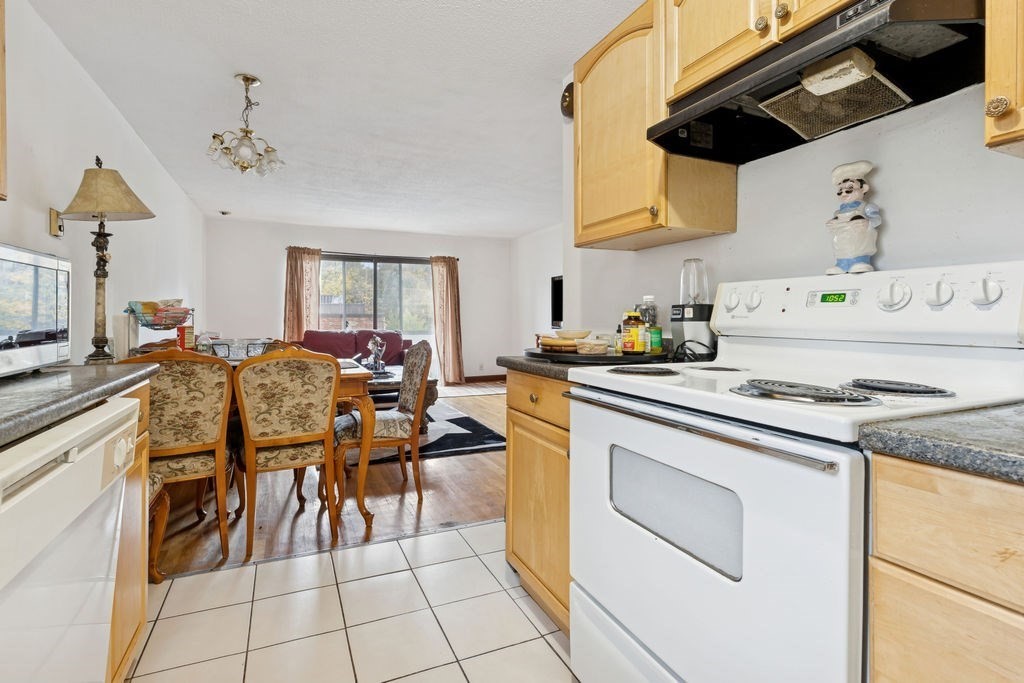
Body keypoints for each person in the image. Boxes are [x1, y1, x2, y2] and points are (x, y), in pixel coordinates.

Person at [826, 160, 881, 275]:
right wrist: (832, 224)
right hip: (842, 247)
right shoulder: (838, 212)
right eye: (840, 190)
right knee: (842, 249)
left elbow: (877, 220)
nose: (844, 192)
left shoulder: (867, 207)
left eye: (850, 187)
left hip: (860, 245)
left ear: (864, 188)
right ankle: (841, 264)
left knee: (858, 249)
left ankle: (860, 262)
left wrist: (867, 223)